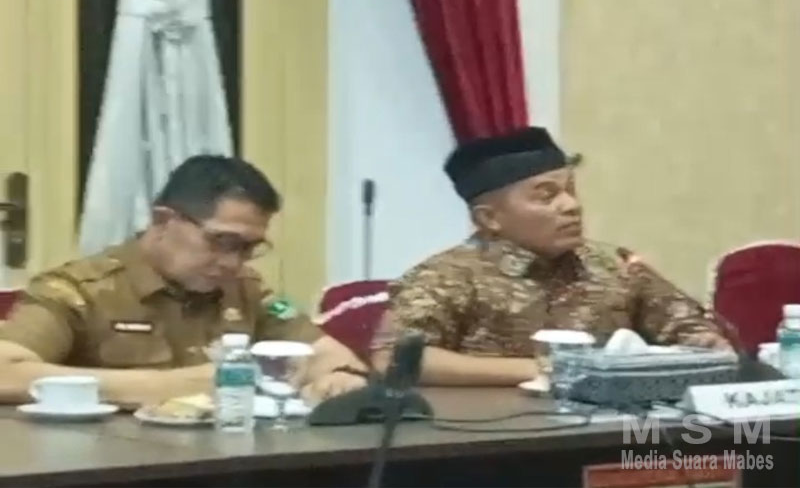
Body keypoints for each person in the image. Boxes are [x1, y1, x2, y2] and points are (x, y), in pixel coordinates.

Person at [371, 127, 732, 386]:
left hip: (610, 430)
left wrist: (706, 344)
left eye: (570, 191)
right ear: (489, 218)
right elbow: (394, 360)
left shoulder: (614, 265)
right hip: (492, 442)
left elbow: (688, 327)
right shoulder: (447, 276)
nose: (571, 206)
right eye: (547, 196)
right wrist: (544, 370)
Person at [0, 155, 365, 407]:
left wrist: (339, 379)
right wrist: (168, 387)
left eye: (249, 248)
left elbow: (326, 353)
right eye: (222, 241)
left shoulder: (246, 289)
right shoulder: (77, 290)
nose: (233, 262)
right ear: (163, 221)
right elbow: (6, 373)